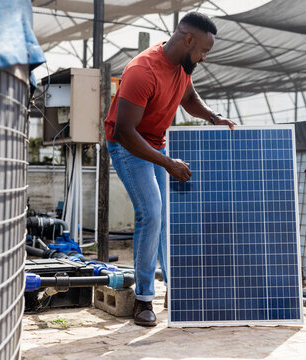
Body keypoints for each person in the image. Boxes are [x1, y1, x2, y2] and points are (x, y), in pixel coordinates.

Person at [104, 12, 236, 327]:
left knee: (166, 216)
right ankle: (143, 300)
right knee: (151, 212)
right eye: (204, 50)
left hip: (155, 145)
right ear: (188, 38)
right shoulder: (142, 71)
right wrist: (167, 163)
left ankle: (174, 291)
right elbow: (124, 131)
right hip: (128, 145)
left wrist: (213, 116)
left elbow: (188, 98)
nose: (204, 57)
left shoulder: (181, 67)